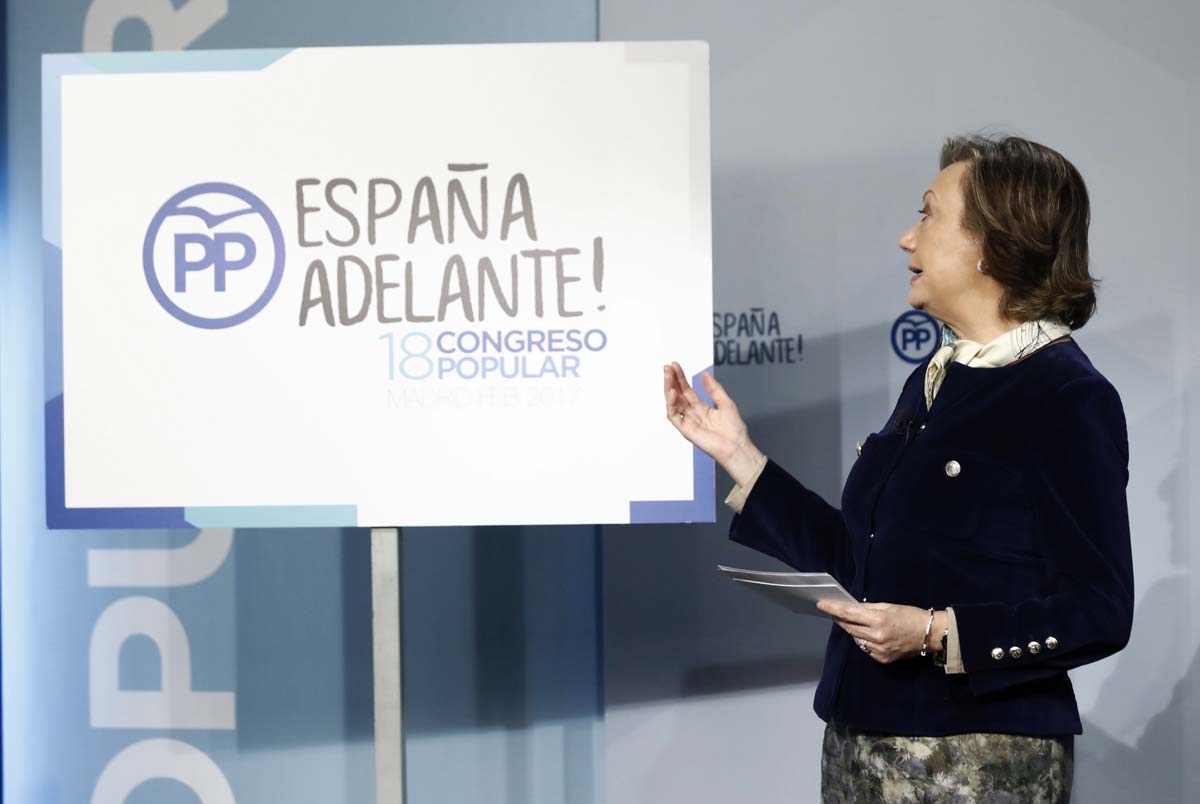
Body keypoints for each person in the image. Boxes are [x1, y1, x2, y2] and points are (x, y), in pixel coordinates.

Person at [662, 133, 1133, 803]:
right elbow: (863, 561)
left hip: (977, 762)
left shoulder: (1064, 395)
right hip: (861, 746)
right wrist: (738, 454)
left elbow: (1099, 610)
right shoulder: (933, 381)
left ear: (990, 243)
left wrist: (937, 635)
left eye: (928, 214)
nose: (905, 238)